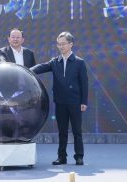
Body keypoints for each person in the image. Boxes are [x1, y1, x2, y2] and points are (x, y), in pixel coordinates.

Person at [32, 32, 89, 165]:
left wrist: (83, 102)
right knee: (62, 131)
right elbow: (41, 67)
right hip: (60, 102)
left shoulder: (79, 62)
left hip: (75, 102)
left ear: (71, 44)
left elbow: (84, 84)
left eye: (63, 44)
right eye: (59, 44)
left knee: (77, 131)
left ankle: (79, 156)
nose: (61, 46)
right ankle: (62, 157)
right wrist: (25, 69)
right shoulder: (55, 61)